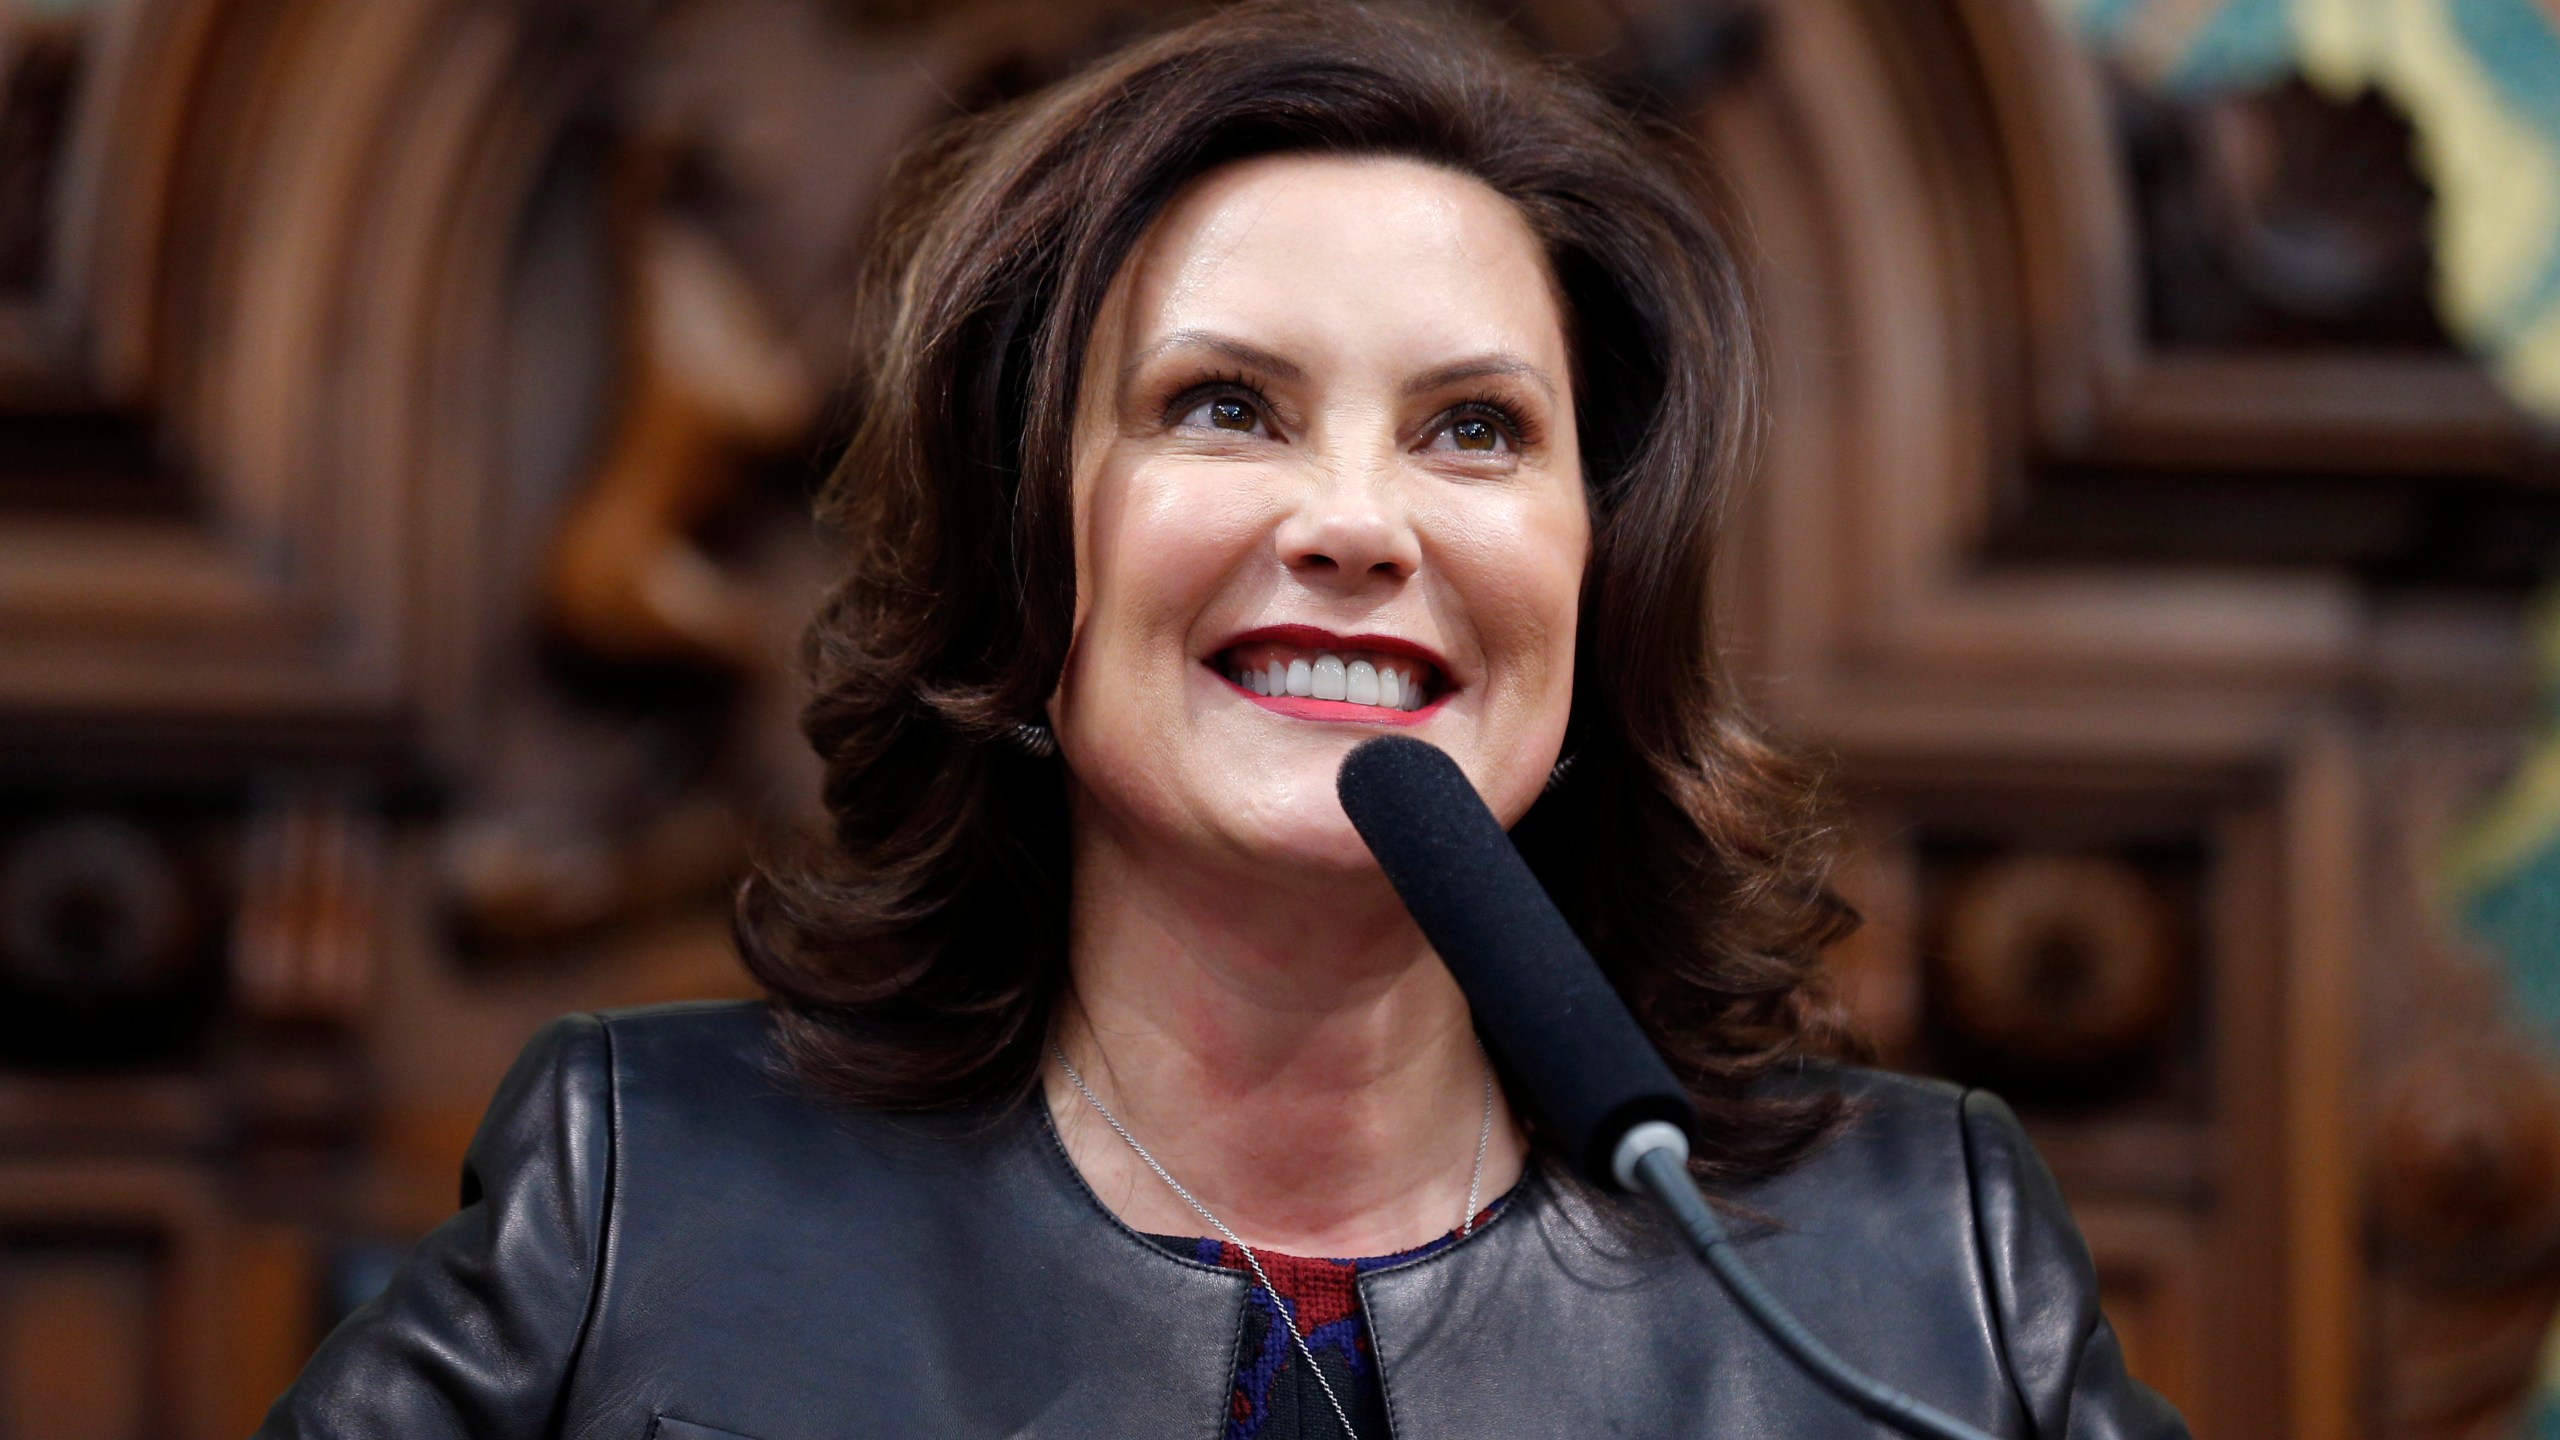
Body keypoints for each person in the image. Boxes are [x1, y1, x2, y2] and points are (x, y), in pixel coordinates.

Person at [255, 4, 2191, 1437]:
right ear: (1031, 577)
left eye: (1471, 430)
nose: (1352, 523)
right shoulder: (640, 1204)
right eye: (1222, 406)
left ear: (1593, 589)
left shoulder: (1916, 1266)